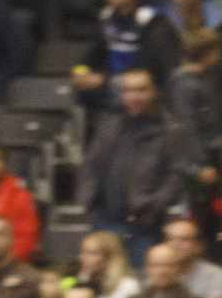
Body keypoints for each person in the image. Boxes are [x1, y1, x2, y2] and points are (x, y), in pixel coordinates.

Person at [76, 70, 193, 265]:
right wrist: (86, 198)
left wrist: (154, 206)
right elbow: (91, 163)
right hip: (104, 218)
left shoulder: (171, 130)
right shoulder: (109, 122)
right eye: (128, 90)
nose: (133, 96)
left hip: (143, 224)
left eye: (140, 90)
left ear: (154, 92)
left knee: (141, 280)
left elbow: (178, 176)